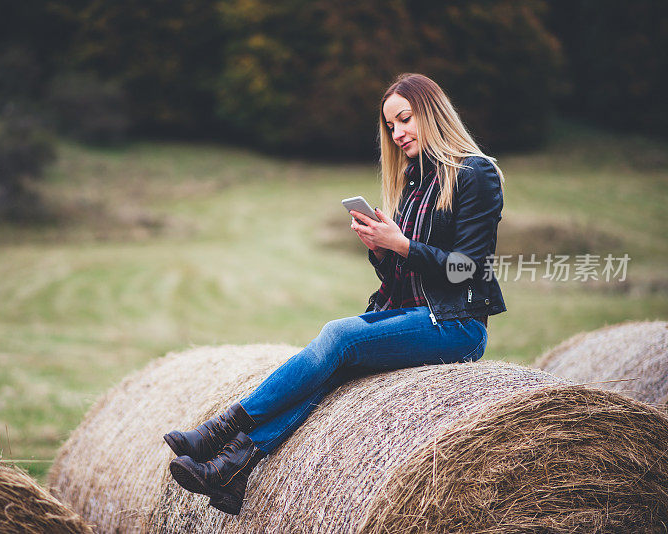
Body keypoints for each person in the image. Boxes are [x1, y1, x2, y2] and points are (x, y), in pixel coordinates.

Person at [163, 72, 506, 515]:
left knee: (338, 336)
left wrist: (400, 243)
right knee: (330, 371)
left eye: (405, 120)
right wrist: (380, 249)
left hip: (456, 324)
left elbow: (468, 270)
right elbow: (406, 271)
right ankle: (233, 468)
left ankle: (222, 430)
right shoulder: (415, 183)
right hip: (410, 316)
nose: (398, 133)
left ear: (432, 113)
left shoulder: (475, 174)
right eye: (390, 126)